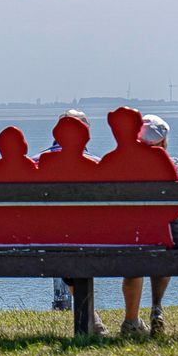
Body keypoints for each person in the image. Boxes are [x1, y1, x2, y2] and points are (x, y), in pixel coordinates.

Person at [98, 106, 178, 337]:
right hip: (155, 236)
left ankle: (132, 320)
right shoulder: (159, 158)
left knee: (135, 259)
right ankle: (136, 319)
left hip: (117, 238)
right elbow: (177, 201)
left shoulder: (108, 160)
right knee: (157, 250)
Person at [37, 112, 109, 336]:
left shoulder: (33, 164)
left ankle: (91, 316)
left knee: (65, 240)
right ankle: (108, 318)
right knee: (75, 242)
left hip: (41, 237)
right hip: (89, 238)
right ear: (86, 134)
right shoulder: (98, 166)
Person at [131, 114, 178, 335]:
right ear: (164, 141)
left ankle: (131, 319)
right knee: (167, 238)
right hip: (177, 241)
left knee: (150, 244)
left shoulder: (126, 169)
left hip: (136, 239)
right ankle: (156, 306)